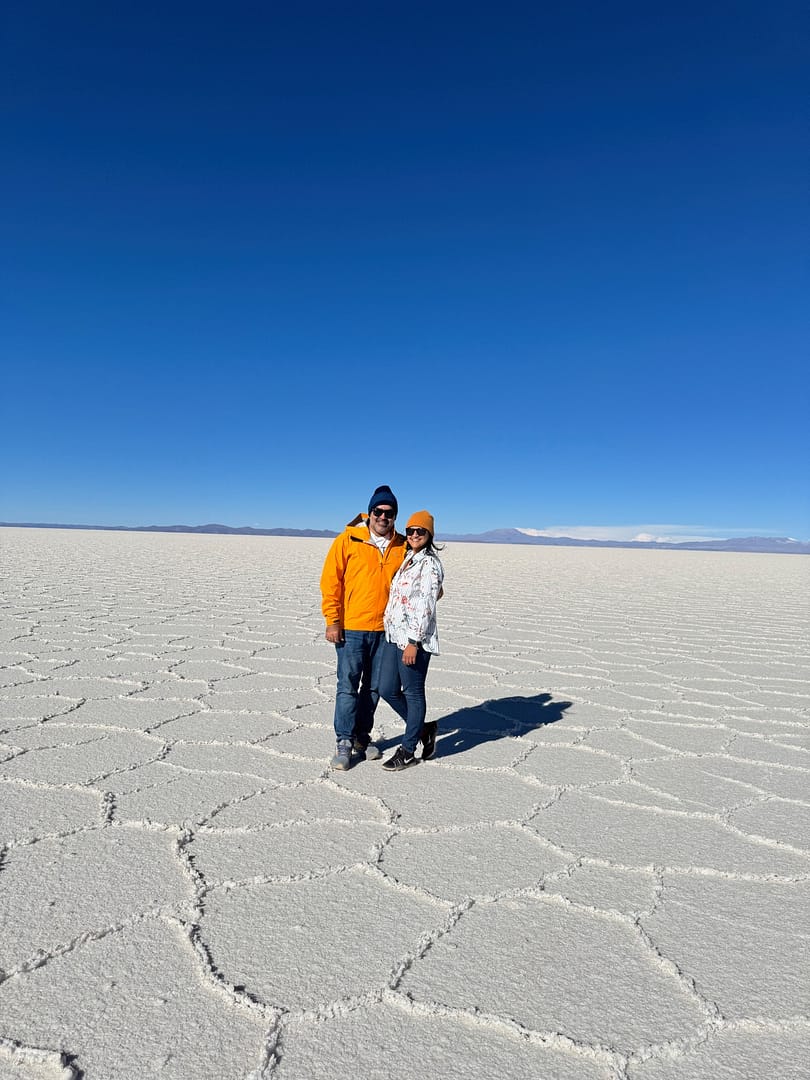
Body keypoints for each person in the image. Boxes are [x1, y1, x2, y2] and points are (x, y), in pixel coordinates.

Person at [320, 485, 407, 770]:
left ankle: (361, 736)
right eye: (378, 511)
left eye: (390, 513)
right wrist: (333, 620)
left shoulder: (403, 545)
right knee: (347, 685)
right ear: (369, 513)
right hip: (352, 627)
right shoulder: (348, 540)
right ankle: (344, 740)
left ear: (395, 516)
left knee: (373, 688)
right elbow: (331, 582)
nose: (383, 517)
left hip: (385, 630)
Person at [378, 510, 444, 771]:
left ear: (429, 535)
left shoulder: (430, 564)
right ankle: (424, 729)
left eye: (421, 531)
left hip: (413, 640)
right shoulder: (409, 557)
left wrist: (414, 642)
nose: (415, 534)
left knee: (413, 693)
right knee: (387, 689)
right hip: (394, 636)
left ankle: (407, 750)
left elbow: (427, 604)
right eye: (411, 530)